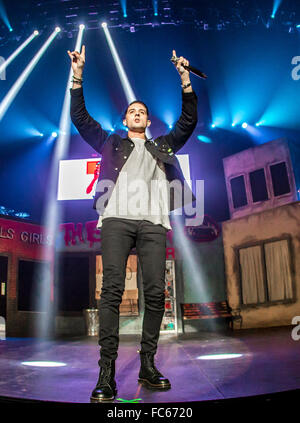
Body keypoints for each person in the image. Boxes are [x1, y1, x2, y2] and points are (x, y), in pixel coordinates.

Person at [68, 45, 198, 402]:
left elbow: (188, 122)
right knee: (111, 291)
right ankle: (106, 374)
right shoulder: (111, 143)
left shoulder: (162, 146)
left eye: (142, 111)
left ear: (148, 121)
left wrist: (185, 79)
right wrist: (77, 75)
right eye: (132, 112)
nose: (137, 114)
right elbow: (80, 118)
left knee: (156, 294)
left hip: (154, 222)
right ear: (125, 121)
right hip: (116, 220)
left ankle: (148, 365)